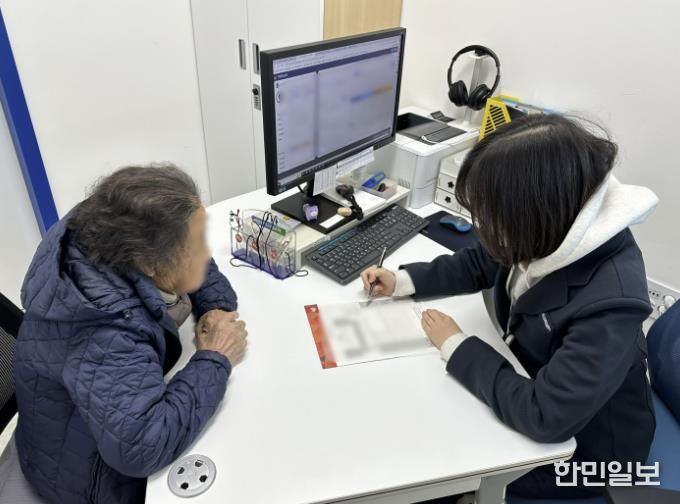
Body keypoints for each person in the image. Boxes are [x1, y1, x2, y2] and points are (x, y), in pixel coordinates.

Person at [361, 114, 658, 499]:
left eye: (491, 218)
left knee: (433, 475)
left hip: (591, 458)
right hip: (533, 383)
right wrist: (403, 281)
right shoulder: (552, 225)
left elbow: (546, 416)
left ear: (533, 215)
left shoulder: (612, 303)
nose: (483, 228)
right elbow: (482, 261)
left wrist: (456, 346)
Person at [13, 164, 247, 503]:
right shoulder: (105, 332)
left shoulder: (110, 226)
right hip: (83, 479)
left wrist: (214, 303)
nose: (206, 253)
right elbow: (142, 447)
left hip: (93, 422)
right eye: (196, 245)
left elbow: (187, 252)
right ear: (150, 263)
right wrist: (215, 358)